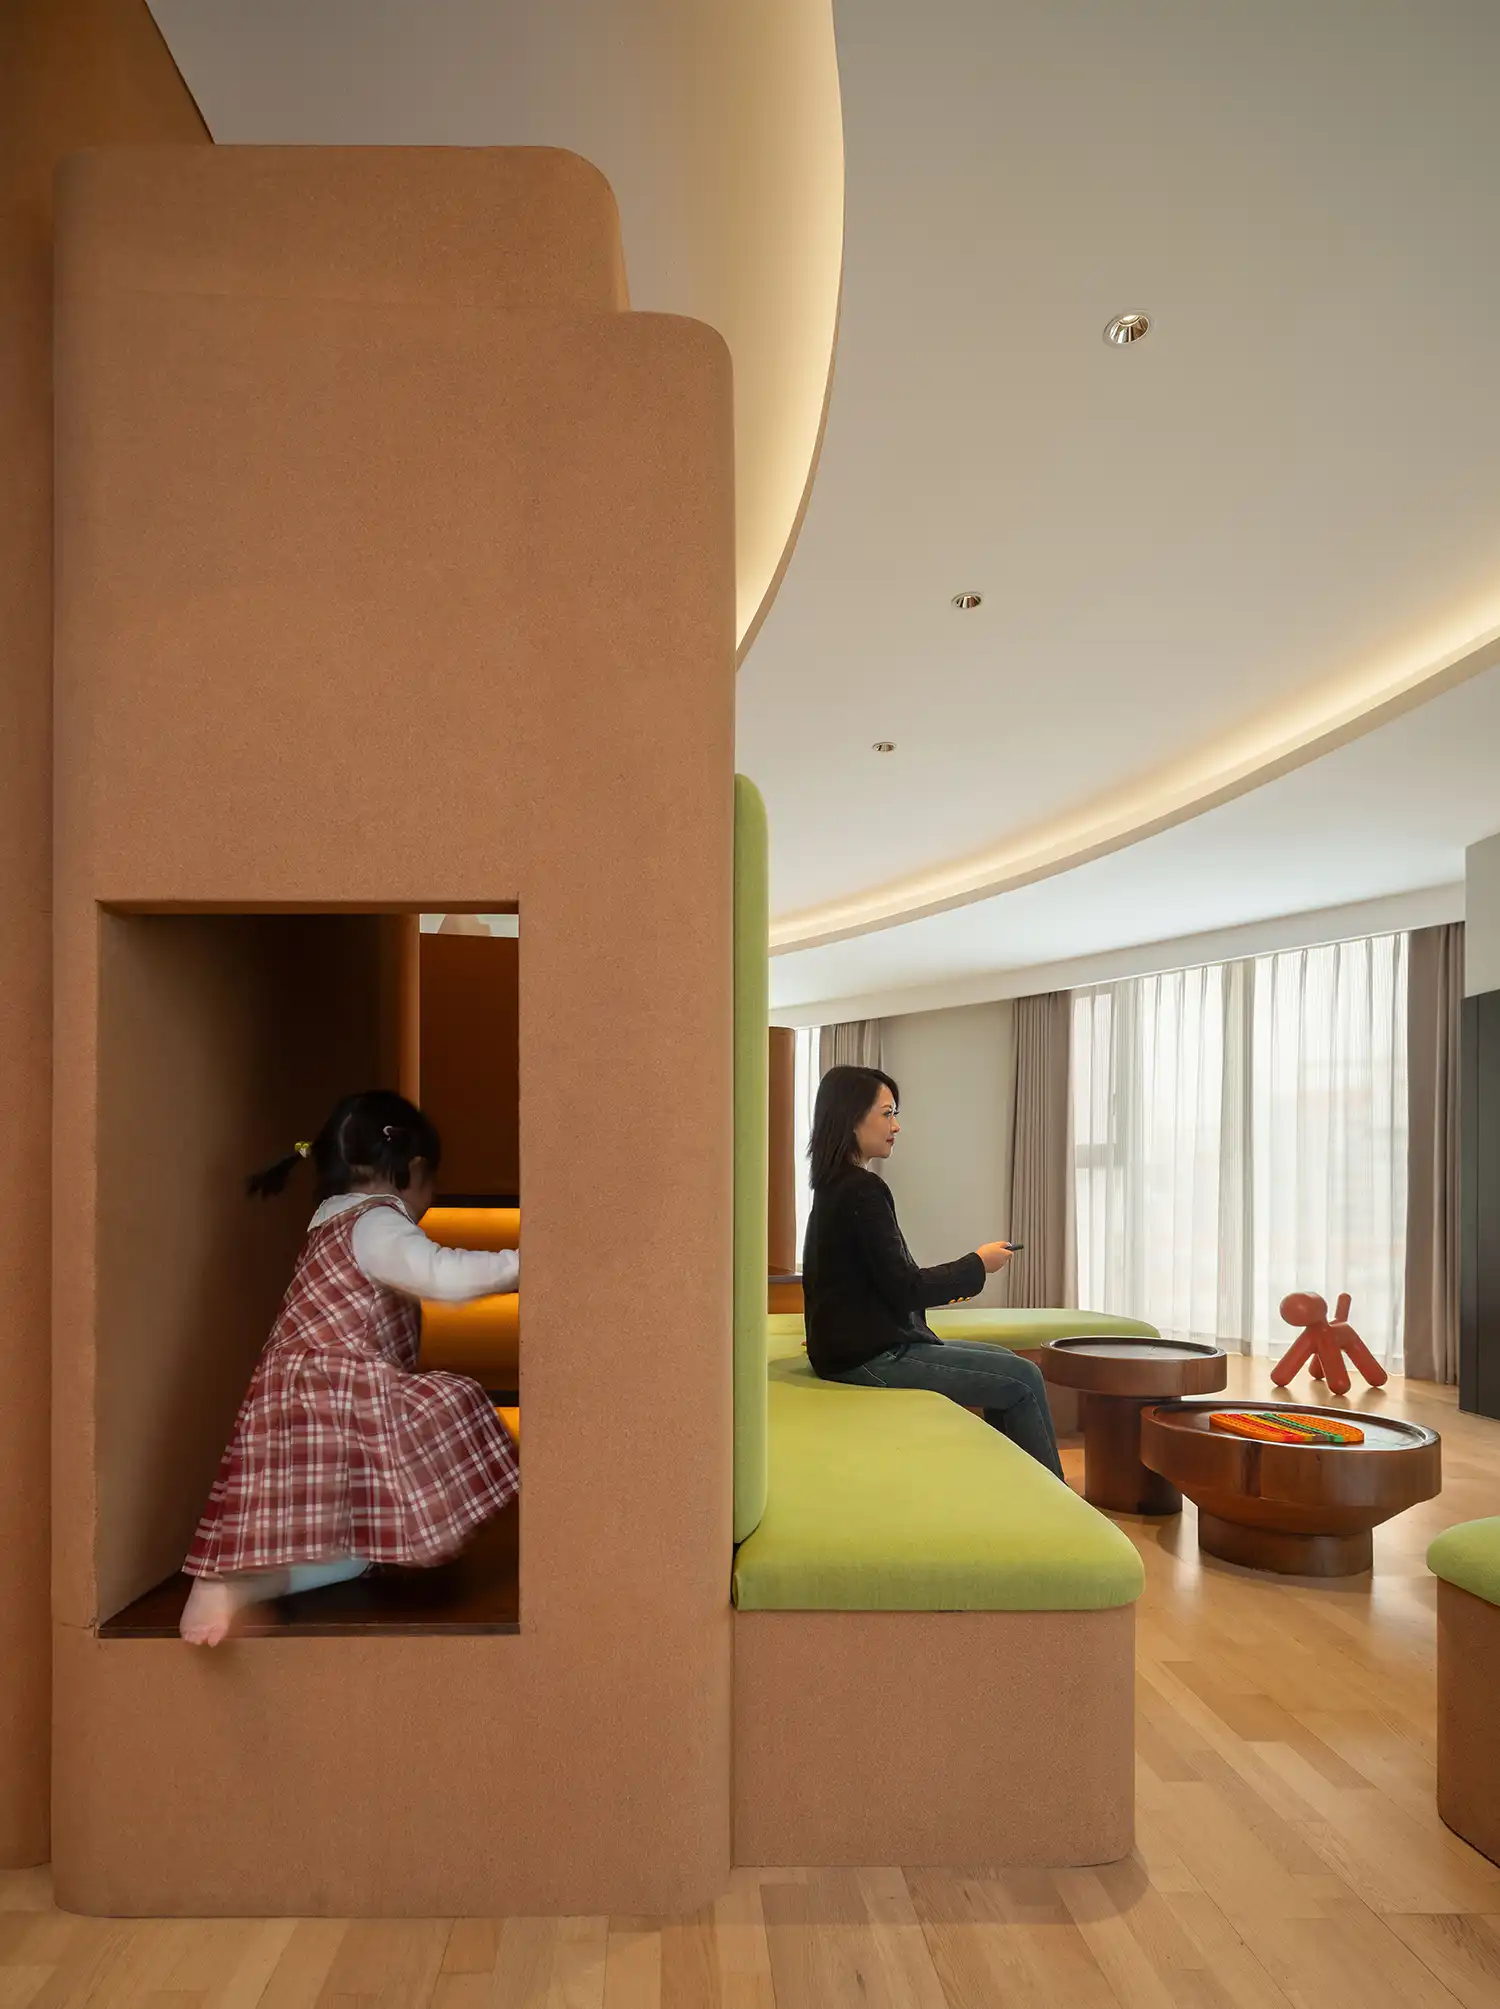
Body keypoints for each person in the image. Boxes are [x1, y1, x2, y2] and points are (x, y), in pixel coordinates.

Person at [179, 1089, 521, 1646]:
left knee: (348, 1546)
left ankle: (232, 1586)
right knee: (451, 1399)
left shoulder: (327, 1221)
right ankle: (231, 1585)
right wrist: (526, 1261)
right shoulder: (377, 1223)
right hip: (341, 1388)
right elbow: (443, 1277)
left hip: (290, 1392)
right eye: (432, 1185)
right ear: (412, 1171)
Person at [801, 1064, 1064, 1478]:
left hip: (851, 1349)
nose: (897, 1126)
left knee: (1005, 1360)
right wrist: (979, 1264)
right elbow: (906, 1288)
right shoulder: (861, 1190)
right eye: (887, 1113)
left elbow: (841, 1282)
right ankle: (1058, 1511)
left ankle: (1016, 1489)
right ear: (852, 1117)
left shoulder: (835, 1186)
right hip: (867, 1356)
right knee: (1024, 1378)